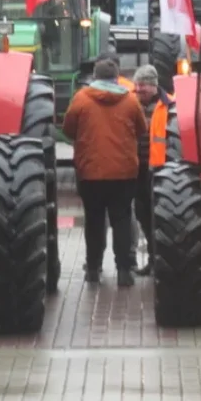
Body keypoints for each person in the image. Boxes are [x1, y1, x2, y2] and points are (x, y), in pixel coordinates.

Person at [62, 57, 147, 287]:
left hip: (90, 172)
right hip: (124, 173)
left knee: (94, 220)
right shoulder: (130, 101)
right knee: (121, 219)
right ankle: (123, 271)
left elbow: (68, 129)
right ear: (116, 77)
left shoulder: (81, 99)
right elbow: (142, 129)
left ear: (95, 77)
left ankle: (93, 268)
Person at [130, 65, 173, 276]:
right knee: (143, 214)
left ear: (153, 85)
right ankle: (153, 259)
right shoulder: (130, 103)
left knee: (161, 216)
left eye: (143, 85)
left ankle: (162, 259)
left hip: (161, 170)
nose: (138, 89)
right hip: (137, 168)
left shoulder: (170, 105)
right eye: (136, 85)